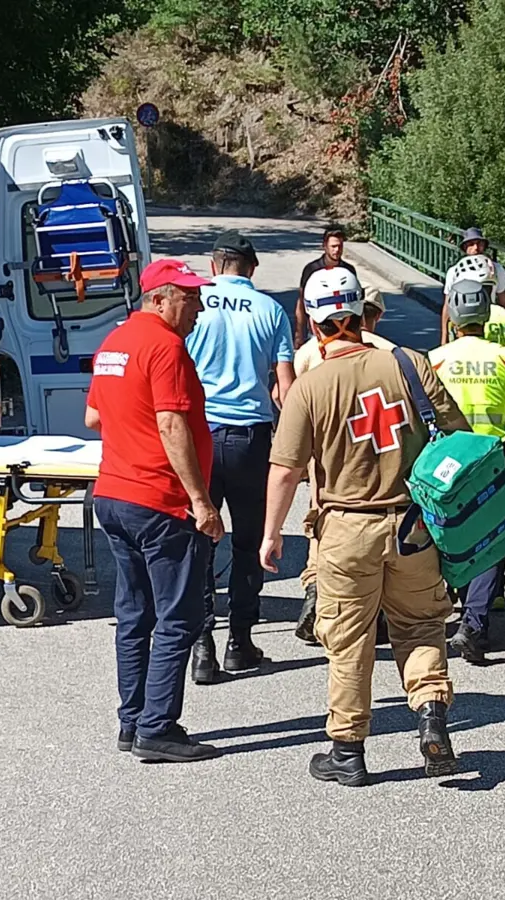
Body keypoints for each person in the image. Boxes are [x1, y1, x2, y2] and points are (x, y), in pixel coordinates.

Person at [260, 267, 469, 786]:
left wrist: (269, 535)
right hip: (413, 526)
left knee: (348, 641)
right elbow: (460, 436)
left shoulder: (309, 387)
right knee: (420, 625)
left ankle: (348, 752)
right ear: (361, 314)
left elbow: (285, 470)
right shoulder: (409, 364)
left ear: (313, 322)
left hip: (346, 529)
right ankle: (432, 717)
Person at [85, 259, 225, 763]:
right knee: (178, 617)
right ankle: (157, 728)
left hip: (115, 494)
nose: (200, 306)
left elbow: (95, 414)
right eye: (190, 298)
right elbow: (170, 424)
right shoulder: (165, 346)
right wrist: (201, 502)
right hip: (160, 500)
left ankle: (132, 721)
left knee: (133, 613)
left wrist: (131, 437)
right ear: (160, 299)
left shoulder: (114, 343)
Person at [183, 231, 295, 684]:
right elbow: (286, 386)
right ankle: (240, 642)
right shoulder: (270, 310)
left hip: (201, 436)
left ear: (214, 265)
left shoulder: (193, 305)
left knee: (200, 541)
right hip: (251, 438)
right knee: (250, 543)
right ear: (251, 269)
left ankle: (202, 645)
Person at [429, 280, 505, 663]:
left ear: (453, 318)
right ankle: (475, 624)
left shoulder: (436, 358)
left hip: (449, 459)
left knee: (444, 533)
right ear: (486, 315)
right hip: (494, 457)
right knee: (491, 540)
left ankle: (447, 605)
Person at [293, 280, 394, 644]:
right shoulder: (390, 352)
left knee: (320, 521)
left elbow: (295, 409)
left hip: (325, 457)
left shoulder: (307, 353)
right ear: (374, 315)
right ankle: (375, 610)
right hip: (380, 452)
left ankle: (315, 587)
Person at [440, 227, 505, 344]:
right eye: (471, 244)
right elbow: (447, 305)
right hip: (461, 324)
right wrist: (444, 337)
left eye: (479, 244)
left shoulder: (496, 269)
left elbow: (504, 302)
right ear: (465, 247)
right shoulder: (454, 271)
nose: (476, 248)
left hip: (488, 322)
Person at [295, 225, 359, 348]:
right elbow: (302, 303)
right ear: (324, 246)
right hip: (318, 330)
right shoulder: (311, 270)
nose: (337, 250)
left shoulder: (349, 271)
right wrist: (299, 334)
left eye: (340, 246)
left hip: (346, 330)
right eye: (333, 246)